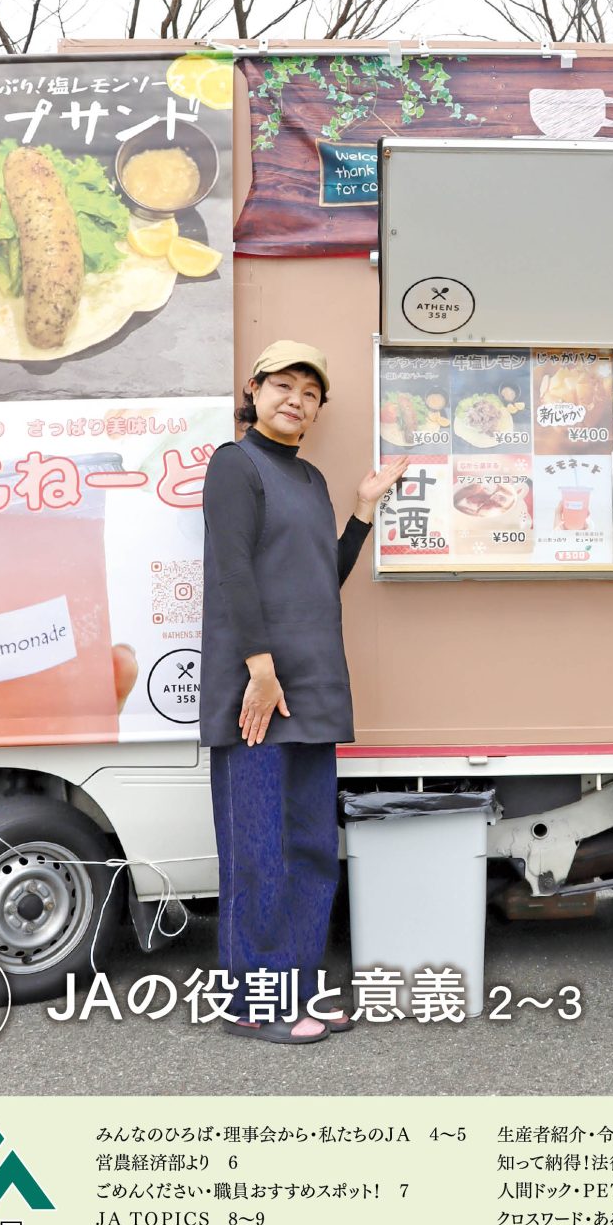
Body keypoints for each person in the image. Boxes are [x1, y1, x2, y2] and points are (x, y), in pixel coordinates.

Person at [200, 340, 407, 1044]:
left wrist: (363, 510)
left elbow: (323, 577)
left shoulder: (312, 480)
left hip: (313, 687)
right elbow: (232, 568)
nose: (296, 399)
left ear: (318, 409)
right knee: (258, 852)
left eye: (310, 392)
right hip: (256, 691)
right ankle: (251, 1003)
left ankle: (294, 990)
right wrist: (259, 667)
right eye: (283, 385)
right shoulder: (235, 464)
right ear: (254, 390)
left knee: (313, 849)